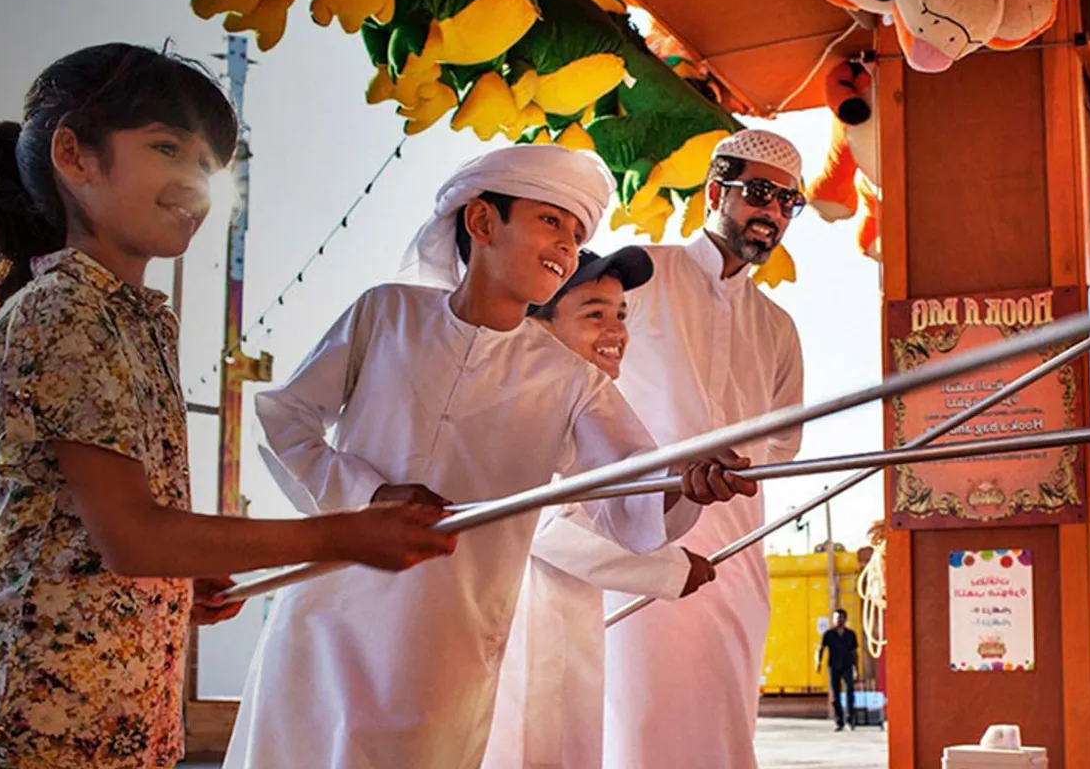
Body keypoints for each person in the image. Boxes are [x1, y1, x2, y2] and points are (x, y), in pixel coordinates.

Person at [0, 44, 456, 769]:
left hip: (122, 704)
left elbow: (109, 538)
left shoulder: (134, 319)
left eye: (206, 164)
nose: (194, 181)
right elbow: (133, 535)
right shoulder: (64, 309)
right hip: (46, 711)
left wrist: (175, 584)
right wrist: (342, 536)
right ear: (74, 156)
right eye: (166, 148)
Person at [222, 144, 755, 769]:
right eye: (551, 221)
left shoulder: (571, 380)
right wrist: (369, 495)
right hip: (323, 619)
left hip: (443, 652)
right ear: (481, 222)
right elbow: (287, 421)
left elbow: (629, 489)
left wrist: (686, 480)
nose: (567, 246)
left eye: (577, 233)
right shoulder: (386, 314)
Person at [604, 129, 807, 769]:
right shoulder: (639, 274)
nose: (773, 213)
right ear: (715, 192)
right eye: (760, 194)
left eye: (789, 203)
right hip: (636, 539)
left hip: (736, 551)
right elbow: (580, 383)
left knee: (725, 722)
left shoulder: (777, 327)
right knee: (636, 718)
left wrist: (737, 474)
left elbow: (784, 442)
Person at [481, 247, 717, 769]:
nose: (616, 332)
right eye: (594, 314)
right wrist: (670, 570)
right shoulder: (511, 402)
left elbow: (632, 502)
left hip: (570, 625)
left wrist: (687, 482)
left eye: (620, 315)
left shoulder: (599, 412)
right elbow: (539, 523)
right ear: (537, 327)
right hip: (512, 630)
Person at [817, 608, 859, 731]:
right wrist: (818, 662)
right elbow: (821, 648)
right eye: (836, 618)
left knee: (850, 692)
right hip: (833, 666)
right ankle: (839, 721)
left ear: (845, 619)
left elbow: (854, 652)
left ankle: (850, 720)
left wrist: (856, 668)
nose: (838, 620)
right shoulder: (829, 634)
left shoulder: (851, 634)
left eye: (841, 618)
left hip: (847, 665)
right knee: (835, 695)